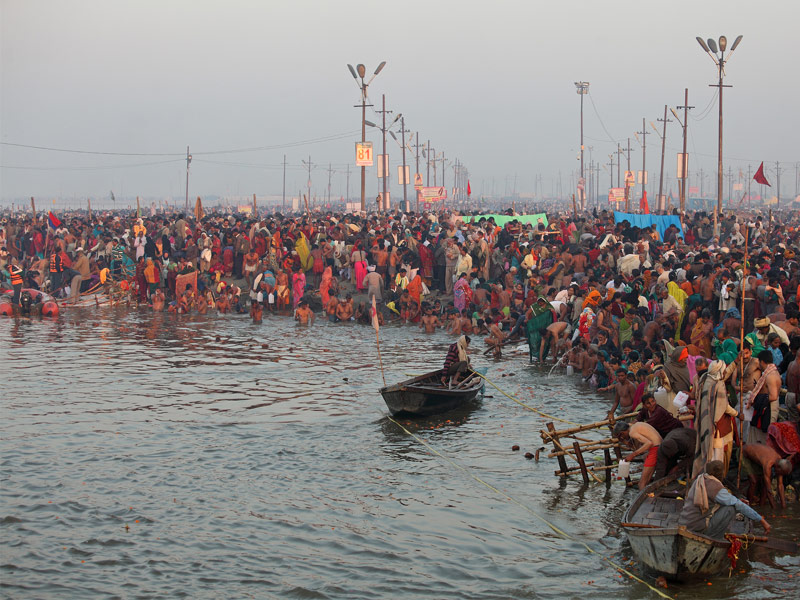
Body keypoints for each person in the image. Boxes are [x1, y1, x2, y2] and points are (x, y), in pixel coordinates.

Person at [678, 460, 770, 540]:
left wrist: (737, 500)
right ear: (721, 473)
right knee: (730, 508)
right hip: (697, 526)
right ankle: (715, 538)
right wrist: (762, 521)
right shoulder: (715, 486)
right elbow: (739, 505)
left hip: (685, 522)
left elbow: (720, 500)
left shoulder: (701, 479)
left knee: (732, 504)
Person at [614, 420, 662, 490]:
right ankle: (648, 494)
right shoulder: (635, 426)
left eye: (621, 436)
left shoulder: (632, 432)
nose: (623, 438)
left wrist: (633, 455)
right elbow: (637, 447)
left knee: (641, 484)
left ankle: (644, 500)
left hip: (655, 449)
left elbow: (649, 443)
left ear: (622, 433)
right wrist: (624, 441)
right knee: (646, 481)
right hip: (660, 446)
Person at [742, 443, 793, 509]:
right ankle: (748, 506)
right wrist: (774, 509)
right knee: (753, 482)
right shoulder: (768, 464)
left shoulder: (780, 460)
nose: (780, 475)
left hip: (756, 458)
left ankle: (761, 506)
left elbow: (780, 485)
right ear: (778, 467)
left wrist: (784, 507)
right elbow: (769, 491)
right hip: (744, 454)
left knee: (765, 483)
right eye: (780, 473)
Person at [746, 350, 781, 444]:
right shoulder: (771, 372)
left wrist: (758, 400)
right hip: (767, 407)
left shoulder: (771, 376)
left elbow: (773, 396)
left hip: (769, 409)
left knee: (766, 436)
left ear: (762, 362)